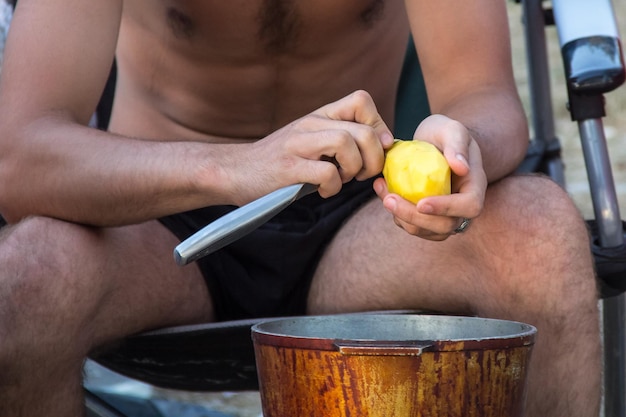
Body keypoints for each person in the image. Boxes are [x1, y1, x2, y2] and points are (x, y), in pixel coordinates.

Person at [0, 0, 600, 416]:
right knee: (30, 276)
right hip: (163, 222)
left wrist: (469, 147)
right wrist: (234, 168)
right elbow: (21, 155)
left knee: (539, 234)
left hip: (361, 220)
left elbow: (484, 93)